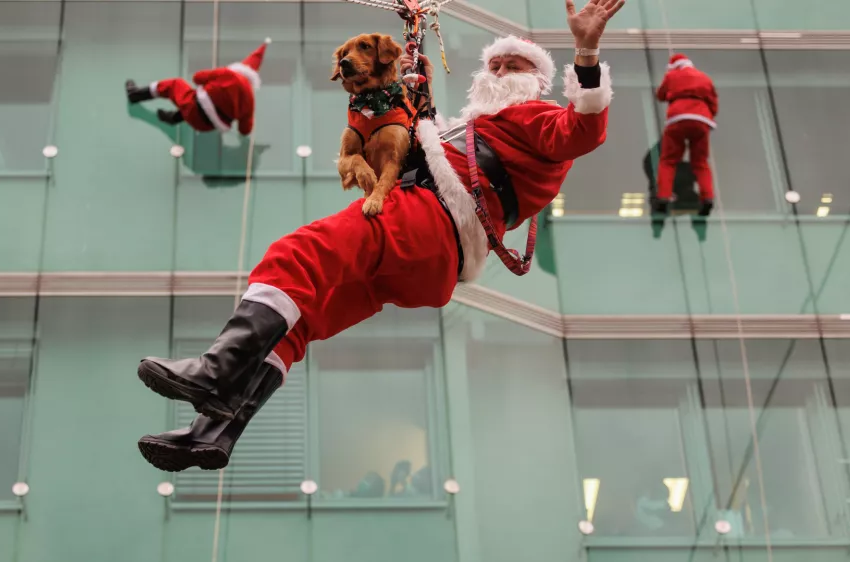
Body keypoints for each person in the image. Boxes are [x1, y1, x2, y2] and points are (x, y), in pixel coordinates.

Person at [135, 0, 624, 472]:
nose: (499, 72)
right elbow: (420, 143)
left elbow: (582, 130)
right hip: (430, 260)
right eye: (494, 64)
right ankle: (216, 430)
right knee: (303, 318)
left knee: (295, 255)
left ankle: (216, 370)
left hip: (426, 221)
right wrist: (409, 91)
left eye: (513, 65)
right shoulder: (474, 129)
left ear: (537, 78)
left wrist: (586, 52)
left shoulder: (536, 119)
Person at [125, 39, 269, 135]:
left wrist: (211, 82)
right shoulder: (250, 100)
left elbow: (197, 77)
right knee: (193, 98)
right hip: (207, 126)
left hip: (193, 109)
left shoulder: (228, 74)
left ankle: (135, 94)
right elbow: (245, 130)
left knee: (176, 85)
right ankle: (174, 118)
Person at [653, 53, 719, 216]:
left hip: (678, 119)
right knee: (700, 161)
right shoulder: (704, 78)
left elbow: (660, 95)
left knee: (668, 160)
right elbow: (714, 105)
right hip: (701, 120)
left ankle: (664, 197)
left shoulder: (672, 76)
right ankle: (707, 197)